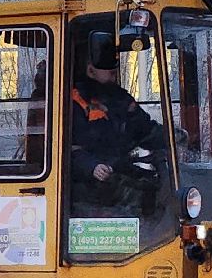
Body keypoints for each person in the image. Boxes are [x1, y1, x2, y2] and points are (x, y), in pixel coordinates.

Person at [70, 31, 166, 213]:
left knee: (157, 188)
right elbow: (70, 151)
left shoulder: (120, 98)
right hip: (88, 183)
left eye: (115, 71)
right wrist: (93, 167)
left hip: (119, 169)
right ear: (90, 69)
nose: (114, 74)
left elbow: (144, 129)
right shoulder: (75, 102)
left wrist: (172, 138)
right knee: (144, 201)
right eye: (108, 71)